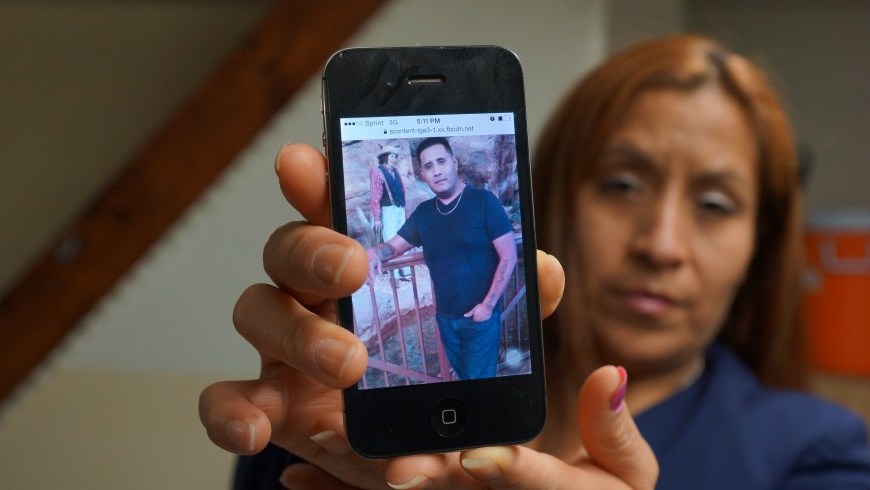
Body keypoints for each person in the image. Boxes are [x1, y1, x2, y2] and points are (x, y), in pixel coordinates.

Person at [200, 34, 870, 489]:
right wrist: (306, 420)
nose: (661, 245)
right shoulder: (340, 434)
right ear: (555, 193)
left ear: (760, 243)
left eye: (715, 205)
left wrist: (489, 303)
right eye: (622, 185)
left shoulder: (820, 454)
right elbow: (394, 247)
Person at [367, 137, 516, 380]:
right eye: (428, 166)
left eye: (441, 162)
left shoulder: (483, 201)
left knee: (479, 385)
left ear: (454, 163)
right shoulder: (424, 213)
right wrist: (373, 253)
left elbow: (508, 255)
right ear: (423, 174)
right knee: (465, 379)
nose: (436, 171)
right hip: (446, 319)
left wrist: (488, 306)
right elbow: (393, 247)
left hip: (480, 318)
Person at [369, 144, 410, 279]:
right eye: (392, 156)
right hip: (388, 210)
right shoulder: (377, 172)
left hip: (399, 208)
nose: (394, 159)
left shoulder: (396, 171)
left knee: (404, 238)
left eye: (395, 157)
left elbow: (402, 191)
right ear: (385, 157)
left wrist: (405, 211)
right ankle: (396, 274)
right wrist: (377, 218)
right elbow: (375, 197)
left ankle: (406, 270)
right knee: (391, 240)